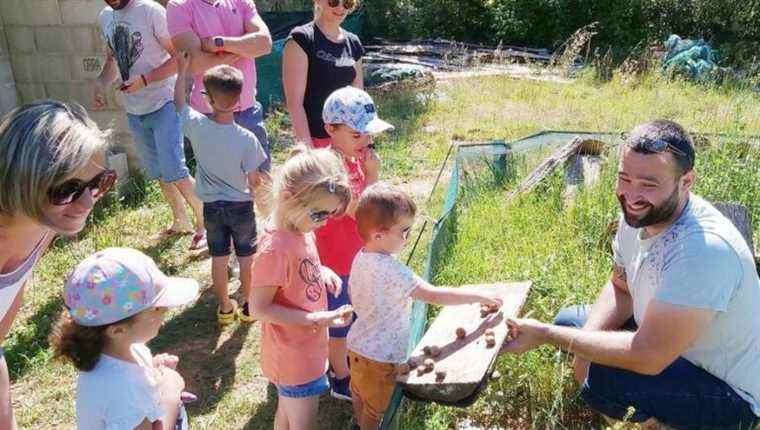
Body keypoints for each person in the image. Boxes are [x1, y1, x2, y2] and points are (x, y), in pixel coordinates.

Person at [501, 120, 760, 429]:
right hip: (672, 345)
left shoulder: (704, 250)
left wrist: (548, 336)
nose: (631, 195)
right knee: (571, 322)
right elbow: (621, 289)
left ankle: (659, 425)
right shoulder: (637, 215)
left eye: (649, 184)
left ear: (686, 181)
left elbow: (648, 357)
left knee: (603, 372)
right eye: (624, 178)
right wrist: (583, 345)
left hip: (731, 395)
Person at [347, 183, 502, 429]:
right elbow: (433, 295)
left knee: (358, 392)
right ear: (379, 234)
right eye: (405, 231)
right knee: (376, 410)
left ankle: (359, 423)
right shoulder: (393, 271)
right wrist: (477, 295)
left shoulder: (360, 256)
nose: (408, 238)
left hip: (357, 345)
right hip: (381, 358)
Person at [0, 100, 115, 429]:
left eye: (98, 183)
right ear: (24, 180)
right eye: (68, 190)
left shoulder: (44, 224)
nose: (88, 202)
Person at [250, 147, 356, 430]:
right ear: (288, 199)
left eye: (329, 215)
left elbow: (297, 269)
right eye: (320, 214)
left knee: (286, 415)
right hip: (293, 357)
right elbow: (260, 307)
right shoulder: (275, 249)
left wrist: (321, 271)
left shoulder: (299, 229)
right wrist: (315, 319)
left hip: (305, 350)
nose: (324, 223)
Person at [94, 0, 206, 249]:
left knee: (175, 169)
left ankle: (205, 223)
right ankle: (180, 221)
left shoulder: (151, 11)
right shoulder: (105, 17)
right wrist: (101, 83)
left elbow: (180, 57)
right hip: (135, 108)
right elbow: (112, 62)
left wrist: (145, 80)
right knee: (158, 171)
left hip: (165, 101)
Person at [50, 247, 199, 429]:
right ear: (117, 330)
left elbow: (134, 381)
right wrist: (170, 394)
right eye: (157, 308)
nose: (167, 309)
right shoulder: (121, 389)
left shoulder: (123, 350)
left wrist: (153, 371)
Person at [175, 52, 267, 325]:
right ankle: (249, 307)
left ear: (208, 99)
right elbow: (254, 180)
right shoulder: (247, 139)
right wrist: (253, 189)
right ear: (238, 101)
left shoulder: (198, 126)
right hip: (241, 207)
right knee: (247, 259)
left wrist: (182, 70)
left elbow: (178, 102)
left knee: (218, 258)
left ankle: (225, 307)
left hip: (212, 208)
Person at [314, 86, 390, 400]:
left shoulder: (352, 156)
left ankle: (343, 360)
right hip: (335, 260)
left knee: (354, 312)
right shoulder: (330, 167)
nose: (367, 142)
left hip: (353, 256)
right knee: (340, 323)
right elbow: (354, 210)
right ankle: (339, 375)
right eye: (358, 135)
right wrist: (373, 178)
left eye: (368, 135)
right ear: (331, 129)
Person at [167, 0, 273, 173]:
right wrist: (243, 47)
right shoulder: (179, 6)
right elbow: (193, 63)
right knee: (222, 188)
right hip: (210, 118)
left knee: (262, 184)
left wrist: (218, 44)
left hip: (248, 112)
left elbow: (264, 44)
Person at [282, 0, 364, 147]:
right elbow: (295, 103)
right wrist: (308, 149)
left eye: (347, 3)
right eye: (333, 2)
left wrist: (363, 142)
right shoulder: (301, 39)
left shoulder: (354, 42)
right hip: (316, 139)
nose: (340, 8)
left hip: (348, 142)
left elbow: (359, 99)